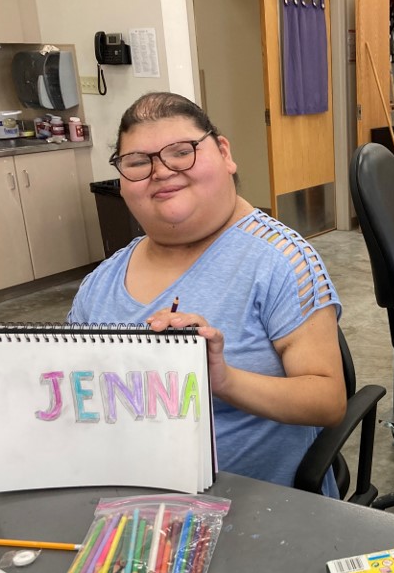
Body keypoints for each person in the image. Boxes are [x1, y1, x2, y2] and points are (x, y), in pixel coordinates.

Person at [68, 92, 346, 497]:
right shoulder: (102, 281)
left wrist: (224, 379)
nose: (160, 172)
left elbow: (328, 400)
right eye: (138, 162)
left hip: (252, 508)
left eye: (181, 153)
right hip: (128, 501)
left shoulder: (280, 260)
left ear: (224, 153)